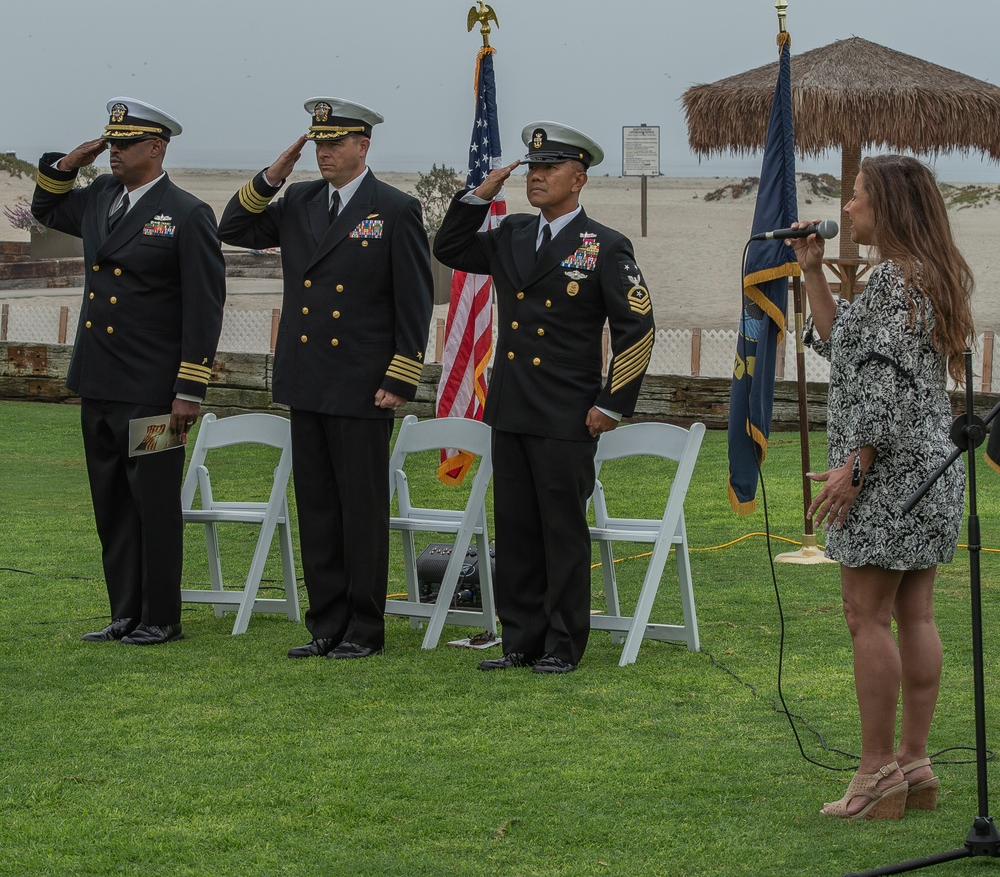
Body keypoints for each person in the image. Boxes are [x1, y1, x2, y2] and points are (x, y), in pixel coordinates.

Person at [434, 122, 655, 674]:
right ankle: (520, 638)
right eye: (532, 168)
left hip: (565, 410)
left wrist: (612, 403)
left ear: (578, 179)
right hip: (511, 405)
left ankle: (561, 643)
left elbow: (639, 327)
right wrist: (479, 195)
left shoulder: (605, 245)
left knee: (560, 530)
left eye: (549, 169)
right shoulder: (510, 235)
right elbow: (451, 247)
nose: (536, 177)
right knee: (516, 528)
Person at [218, 98, 433, 660]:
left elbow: (415, 300)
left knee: (360, 509)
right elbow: (234, 226)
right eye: (318, 143)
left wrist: (402, 377)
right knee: (315, 505)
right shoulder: (300, 198)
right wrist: (273, 174)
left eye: (336, 142)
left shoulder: (394, 208)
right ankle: (325, 624)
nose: (325, 152)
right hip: (307, 376)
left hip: (364, 383)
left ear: (364, 146)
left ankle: (363, 627)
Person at [793, 155, 974, 819]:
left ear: (890, 203)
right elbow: (847, 350)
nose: (847, 207)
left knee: (864, 616)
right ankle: (915, 762)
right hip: (931, 467)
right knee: (916, 613)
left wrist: (855, 466)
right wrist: (813, 273)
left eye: (859, 195)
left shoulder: (897, 280)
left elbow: (888, 388)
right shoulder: (927, 273)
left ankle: (874, 776)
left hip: (889, 472)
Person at [31, 97, 226, 645]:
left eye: (122, 145)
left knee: (154, 503)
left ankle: (160, 616)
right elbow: (47, 208)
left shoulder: (187, 213)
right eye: (109, 143)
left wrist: (189, 387)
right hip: (99, 380)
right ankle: (124, 613)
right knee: (112, 500)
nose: (112, 152)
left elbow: (204, 308)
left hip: (154, 390)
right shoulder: (98, 197)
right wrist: (72, 161)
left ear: (155, 148)